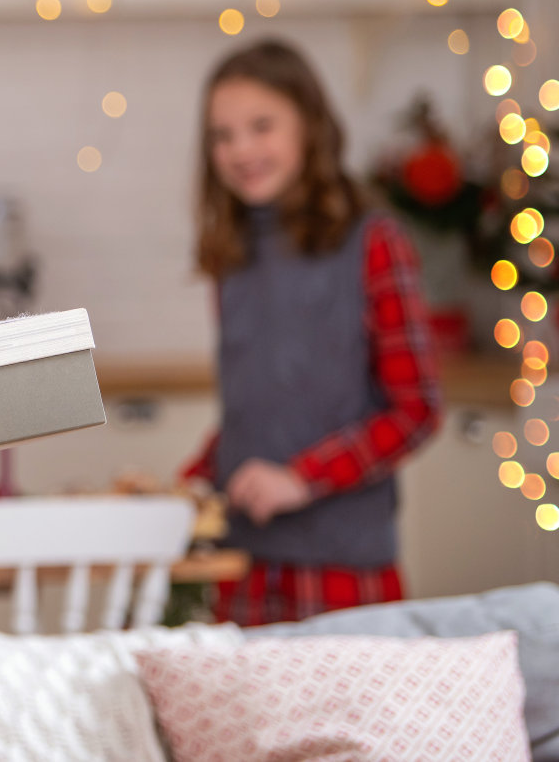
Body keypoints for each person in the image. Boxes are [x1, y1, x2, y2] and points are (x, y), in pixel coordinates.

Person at [181, 39, 442, 628]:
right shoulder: (233, 254)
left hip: (342, 565)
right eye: (222, 136)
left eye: (261, 126)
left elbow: (416, 410)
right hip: (243, 562)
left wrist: (301, 479)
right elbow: (265, 405)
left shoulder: (374, 242)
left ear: (309, 124)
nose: (240, 149)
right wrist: (187, 483)